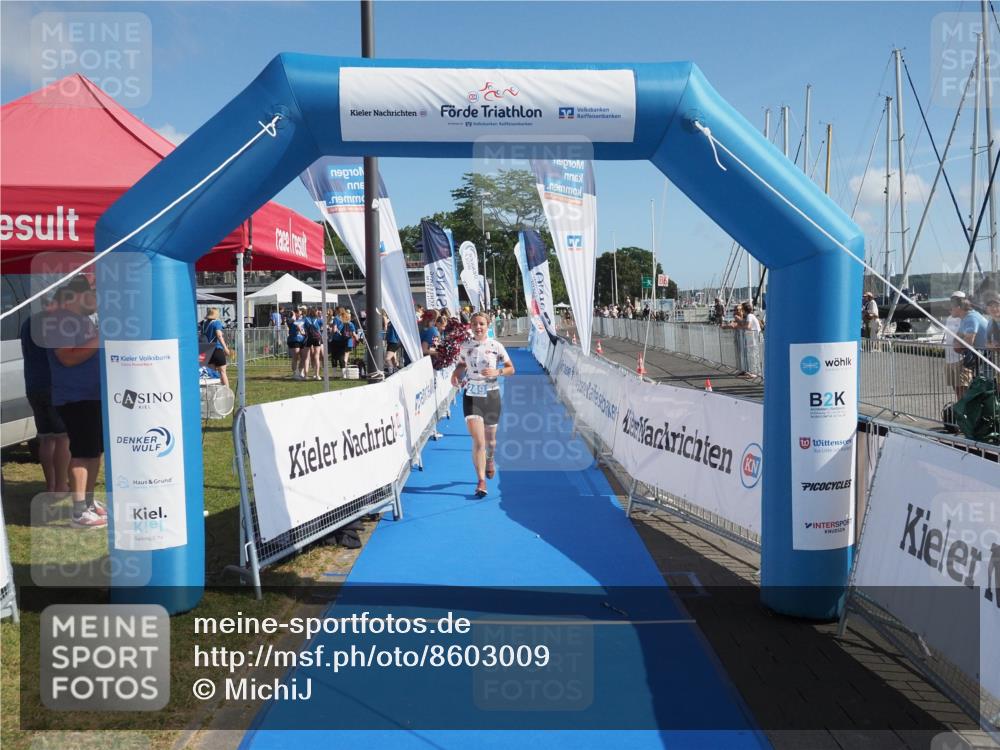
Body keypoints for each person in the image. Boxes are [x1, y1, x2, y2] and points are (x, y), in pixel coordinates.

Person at [43, 276, 105, 528]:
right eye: (95, 294)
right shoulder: (60, 321)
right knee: (82, 452)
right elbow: (66, 357)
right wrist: (102, 336)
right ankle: (79, 511)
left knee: (93, 451)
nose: (99, 301)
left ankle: (87, 503)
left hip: (91, 395)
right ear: (79, 295)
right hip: (76, 397)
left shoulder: (82, 321)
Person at [450, 312, 515, 498]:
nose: (478, 327)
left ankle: (491, 458)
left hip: (491, 395)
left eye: (482, 324)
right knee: (479, 441)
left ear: (488, 326)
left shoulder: (496, 346)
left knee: (491, 441)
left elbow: (512, 369)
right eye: (475, 324)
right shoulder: (465, 346)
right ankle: (481, 481)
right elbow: (461, 365)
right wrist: (456, 374)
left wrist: (498, 371)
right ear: (470, 326)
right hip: (471, 394)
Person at [20, 299, 70, 497]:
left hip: (33, 385)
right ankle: (61, 487)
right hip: (54, 385)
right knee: (63, 438)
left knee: (46, 438)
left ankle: (50, 486)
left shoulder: (28, 323)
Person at [952, 292, 989, 399]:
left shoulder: (970, 318)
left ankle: (965, 407)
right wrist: (958, 343)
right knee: (959, 381)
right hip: (978, 357)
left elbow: (968, 342)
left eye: (952, 307)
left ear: (958, 307)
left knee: (961, 382)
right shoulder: (967, 318)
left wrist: (958, 343)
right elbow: (957, 339)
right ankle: (965, 405)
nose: (950, 310)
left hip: (984, 357)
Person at [200, 308, 231, 387]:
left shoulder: (204, 324)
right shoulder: (217, 323)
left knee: (212, 374)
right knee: (222, 372)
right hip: (217, 349)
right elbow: (219, 335)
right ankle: (227, 391)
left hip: (208, 350)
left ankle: (213, 392)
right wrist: (225, 348)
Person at [943, 297, 965, 402]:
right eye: (949, 308)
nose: (949, 310)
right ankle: (959, 403)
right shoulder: (948, 319)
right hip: (949, 357)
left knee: (962, 385)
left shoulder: (963, 319)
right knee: (954, 385)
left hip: (959, 358)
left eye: (951, 308)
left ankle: (963, 406)